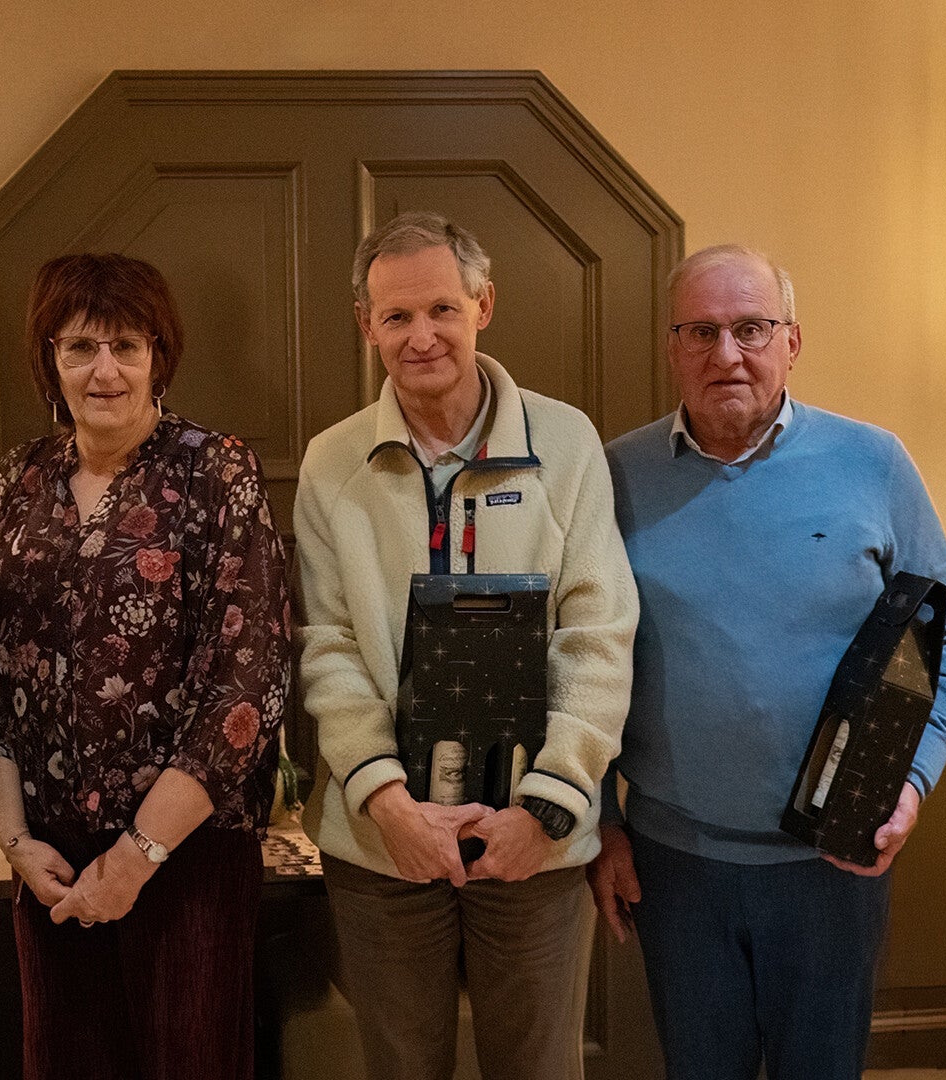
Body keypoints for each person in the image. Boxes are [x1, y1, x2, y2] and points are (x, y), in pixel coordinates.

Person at [593, 245, 946, 1080]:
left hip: (832, 862)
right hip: (674, 866)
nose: (727, 354)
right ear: (671, 347)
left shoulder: (874, 462)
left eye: (751, 328)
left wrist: (912, 784)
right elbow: (580, 658)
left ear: (792, 342)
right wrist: (601, 822)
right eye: (701, 331)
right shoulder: (614, 476)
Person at [293, 211, 638, 1080]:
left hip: (535, 841)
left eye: (442, 309)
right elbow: (329, 647)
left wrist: (547, 809)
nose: (422, 337)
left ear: (484, 306)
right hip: (384, 844)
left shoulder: (566, 444)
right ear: (366, 326)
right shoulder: (331, 463)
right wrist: (389, 806)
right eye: (397, 316)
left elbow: (599, 636)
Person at [0, 253, 292, 1080]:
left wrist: (136, 856)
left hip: (186, 859)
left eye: (125, 346)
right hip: (52, 864)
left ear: (159, 355)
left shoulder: (215, 469)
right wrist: (14, 840)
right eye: (80, 347)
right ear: (50, 359)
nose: (103, 371)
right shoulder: (18, 481)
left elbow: (247, 685)